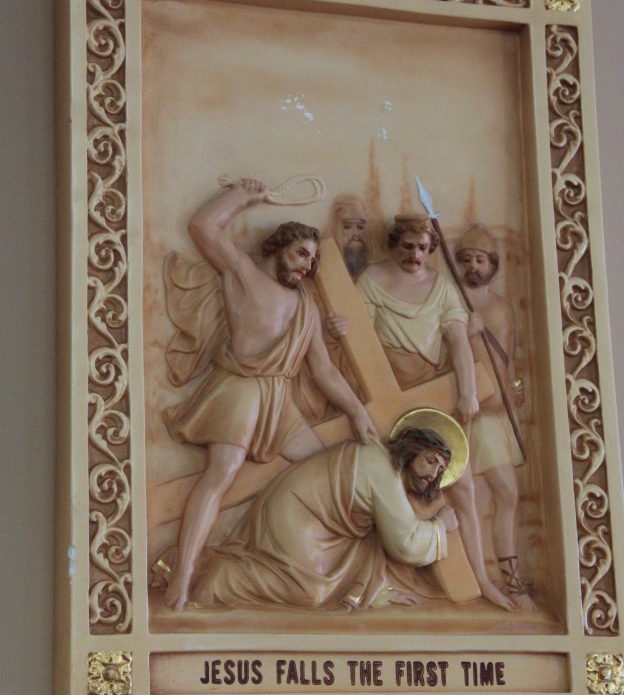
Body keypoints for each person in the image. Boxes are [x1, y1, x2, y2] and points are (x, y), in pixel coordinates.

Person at [161, 178, 377, 610]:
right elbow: (203, 226)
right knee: (220, 474)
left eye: (312, 260)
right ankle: (182, 575)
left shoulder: (306, 307)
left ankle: (288, 558)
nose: (306, 266)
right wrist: (242, 197)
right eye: (300, 254)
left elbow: (324, 370)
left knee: (326, 470)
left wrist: (356, 411)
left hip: (279, 403)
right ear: (277, 248)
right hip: (239, 392)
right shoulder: (241, 273)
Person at [329, 214, 514, 611]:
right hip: (383, 390)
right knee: (386, 486)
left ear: (432, 250)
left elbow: (458, 342)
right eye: (407, 247)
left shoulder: (442, 287)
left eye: (424, 249)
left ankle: (481, 580)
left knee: (462, 486)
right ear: (394, 245)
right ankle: (367, 580)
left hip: (429, 399)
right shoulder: (373, 280)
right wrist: (341, 330)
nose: (415, 255)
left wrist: (468, 392)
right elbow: (360, 337)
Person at [152, 426, 460, 611]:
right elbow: (404, 544)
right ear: (410, 451)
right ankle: (221, 580)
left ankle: (192, 563)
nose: (433, 473)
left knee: (366, 540)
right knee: (311, 592)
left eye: (440, 469)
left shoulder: (384, 466)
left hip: (317, 522)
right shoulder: (384, 470)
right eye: (430, 460)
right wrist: (440, 527)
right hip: (297, 513)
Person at [456, 224, 534, 610]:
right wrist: (467, 332)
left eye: (481, 260)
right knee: (505, 492)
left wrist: (516, 386)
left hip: (501, 410)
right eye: (468, 259)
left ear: (493, 265)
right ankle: (511, 582)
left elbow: (509, 354)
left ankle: (503, 577)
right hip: (477, 412)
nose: (474, 266)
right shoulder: (453, 304)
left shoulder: (502, 307)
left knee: (500, 496)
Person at [329, 194, 372, 279]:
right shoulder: (328, 267)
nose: (355, 234)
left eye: (360, 227)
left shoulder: (373, 272)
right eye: (347, 227)